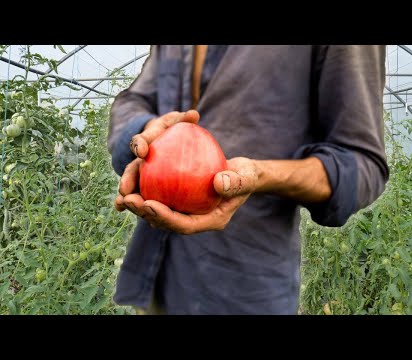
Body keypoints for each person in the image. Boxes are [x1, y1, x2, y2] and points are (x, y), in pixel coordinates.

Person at [108, 45, 388, 315]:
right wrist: (148, 132)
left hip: (243, 289)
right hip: (156, 280)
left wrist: (262, 175)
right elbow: (132, 102)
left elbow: (361, 163)